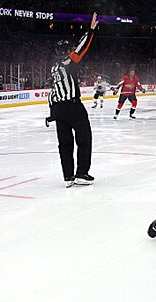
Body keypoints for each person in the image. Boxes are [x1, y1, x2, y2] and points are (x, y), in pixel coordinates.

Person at [47, 12, 98, 188]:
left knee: (65, 144)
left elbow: (52, 93)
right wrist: (90, 31)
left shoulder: (54, 69)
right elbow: (81, 49)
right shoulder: (69, 63)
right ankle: (81, 173)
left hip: (58, 110)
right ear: (67, 51)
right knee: (84, 138)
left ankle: (68, 177)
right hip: (73, 107)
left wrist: (52, 113)